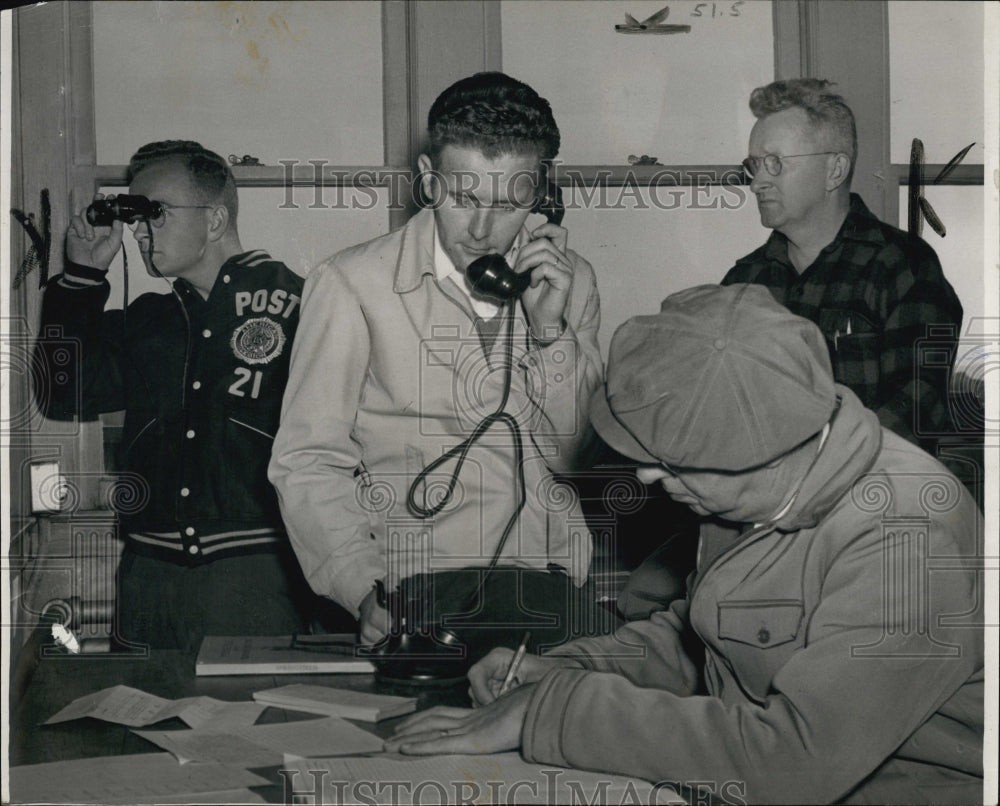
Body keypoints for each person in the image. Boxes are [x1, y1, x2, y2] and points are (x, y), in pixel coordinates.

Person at [385, 284, 984, 805]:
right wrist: (566, 670)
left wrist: (556, 713)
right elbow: (703, 641)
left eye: (669, 463)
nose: (647, 478)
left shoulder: (904, 531)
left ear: (758, 451)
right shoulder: (751, 489)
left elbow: (796, 761)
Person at [269, 72, 605, 655]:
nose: (481, 230)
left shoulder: (569, 283)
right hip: (415, 596)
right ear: (428, 179)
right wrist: (360, 587)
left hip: (549, 592)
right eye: (465, 199)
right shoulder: (352, 284)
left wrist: (550, 333)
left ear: (542, 195)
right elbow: (308, 459)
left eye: (509, 204)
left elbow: (582, 458)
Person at [36, 140, 314, 650]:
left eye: (155, 214)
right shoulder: (151, 320)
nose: (140, 231)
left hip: (255, 582)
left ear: (213, 220)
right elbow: (62, 393)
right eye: (136, 218)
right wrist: (82, 274)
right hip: (147, 581)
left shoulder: (302, 304)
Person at [722, 78, 963, 456]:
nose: (757, 183)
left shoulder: (903, 266)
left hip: (869, 493)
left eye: (775, 163)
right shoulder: (743, 281)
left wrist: (801, 477)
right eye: (754, 165)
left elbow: (914, 413)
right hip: (760, 495)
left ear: (834, 170)